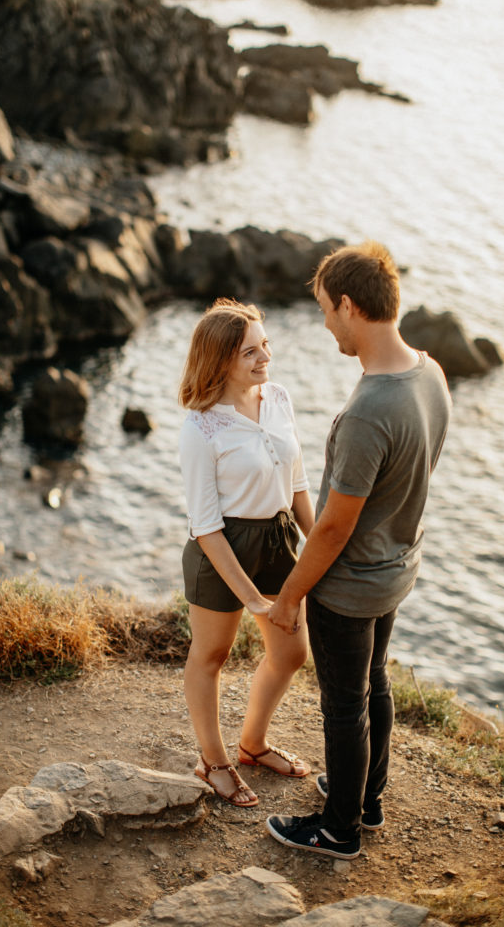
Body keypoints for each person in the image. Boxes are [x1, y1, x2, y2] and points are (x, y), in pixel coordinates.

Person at [265, 242, 452, 858]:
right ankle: (365, 799)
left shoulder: (371, 408)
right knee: (374, 684)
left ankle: (339, 827)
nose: (323, 325)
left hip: (350, 585)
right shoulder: (430, 374)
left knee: (344, 707)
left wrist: (291, 594)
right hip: (397, 566)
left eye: (324, 310)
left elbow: (333, 528)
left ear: (349, 306)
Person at [179, 298, 316, 808]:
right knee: (211, 655)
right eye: (250, 353)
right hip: (223, 548)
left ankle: (253, 745)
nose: (265, 359)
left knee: (290, 652)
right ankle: (214, 761)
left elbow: (297, 480)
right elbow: (206, 527)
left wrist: (318, 543)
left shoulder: (277, 397)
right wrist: (253, 600)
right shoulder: (200, 428)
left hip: (280, 538)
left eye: (266, 346)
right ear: (219, 361)